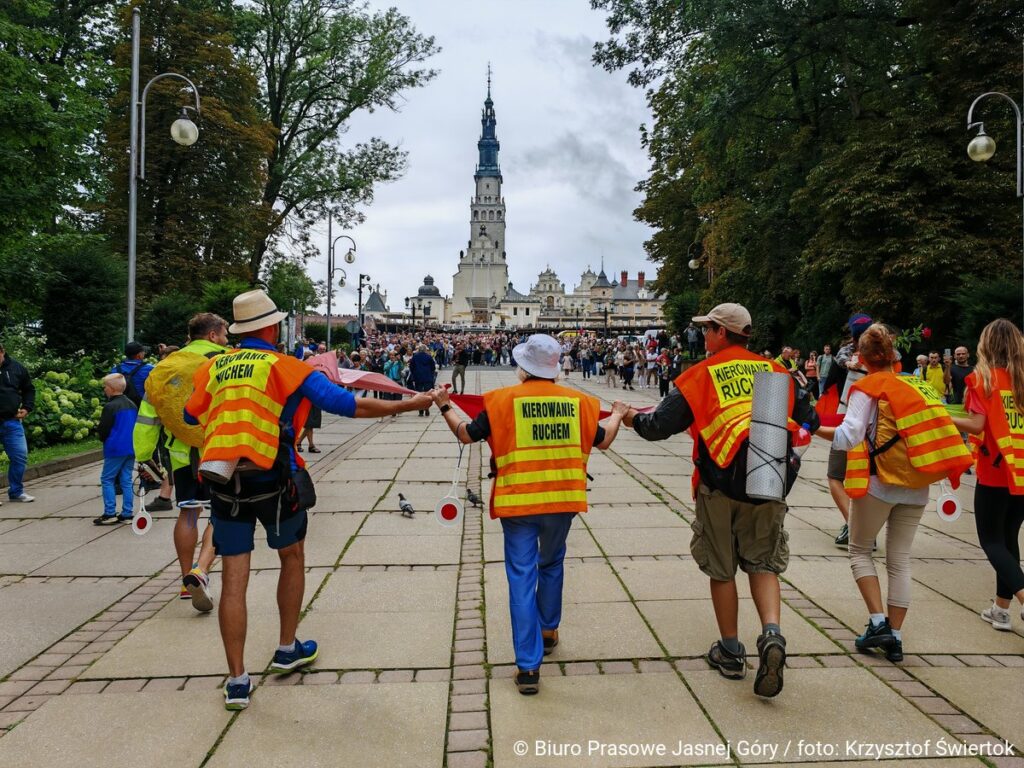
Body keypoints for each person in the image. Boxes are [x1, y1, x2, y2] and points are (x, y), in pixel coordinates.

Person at [185, 290, 433, 711]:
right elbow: (346, 404)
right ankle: (286, 648)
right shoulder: (286, 367)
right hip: (274, 478)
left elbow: (193, 415)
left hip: (225, 478)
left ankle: (237, 681)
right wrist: (411, 404)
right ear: (272, 327)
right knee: (292, 557)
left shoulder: (213, 367)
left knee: (233, 579)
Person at [619, 303, 819, 698]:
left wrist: (628, 417)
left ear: (721, 333)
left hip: (719, 483)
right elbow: (807, 418)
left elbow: (659, 426)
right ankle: (772, 634)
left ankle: (730, 651)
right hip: (768, 475)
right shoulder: (775, 371)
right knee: (763, 562)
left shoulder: (702, 374)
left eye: (707, 329)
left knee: (722, 566)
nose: (702, 335)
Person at [429, 334, 627, 696]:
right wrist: (615, 414)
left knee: (521, 577)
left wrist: (445, 405)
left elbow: (466, 434)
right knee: (551, 564)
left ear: (523, 368)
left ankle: (528, 666)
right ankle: (549, 630)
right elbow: (603, 440)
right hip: (564, 500)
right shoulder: (579, 402)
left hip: (518, 502)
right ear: (555, 368)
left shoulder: (502, 401)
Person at [832, 324, 971, 663]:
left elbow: (849, 436)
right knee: (899, 559)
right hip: (918, 482)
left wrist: (810, 429)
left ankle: (878, 622)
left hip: (880, 481)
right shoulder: (919, 384)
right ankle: (894, 637)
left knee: (860, 550)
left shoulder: (867, 388)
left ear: (861, 358)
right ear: (894, 356)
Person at [134, 313, 229, 610]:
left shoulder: (165, 366)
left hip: (180, 453)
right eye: (224, 333)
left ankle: (185, 578)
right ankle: (201, 571)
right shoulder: (226, 360)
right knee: (220, 513)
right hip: (219, 450)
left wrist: (144, 455)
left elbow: (149, 414)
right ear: (212, 335)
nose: (227, 338)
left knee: (188, 513)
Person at [953, 319, 1024, 632]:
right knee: (1009, 539)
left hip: (995, 470)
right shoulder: (1020, 379)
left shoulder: (982, 379)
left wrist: (944, 418)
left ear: (985, 345)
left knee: (992, 540)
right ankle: (1000, 609)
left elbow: (977, 425)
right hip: (1021, 471)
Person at [825, 314, 873, 547]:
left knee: (835, 476)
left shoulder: (852, 352)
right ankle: (858, 527)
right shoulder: (887, 356)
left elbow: (842, 357)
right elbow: (842, 358)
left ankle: (857, 529)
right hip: (876, 426)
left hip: (850, 421)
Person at [94, 374, 137, 524]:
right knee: (126, 479)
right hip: (131, 447)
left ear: (111, 389)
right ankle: (127, 512)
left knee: (107, 479)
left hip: (115, 448)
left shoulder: (110, 406)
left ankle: (109, 512)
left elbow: (104, 428)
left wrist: (101, 436)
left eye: (105, 386)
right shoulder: (132, 404)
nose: (104, 389)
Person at [0, 342, 35, 504]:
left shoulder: (17, 368)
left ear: (2, 352)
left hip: (12, 421)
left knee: (20, 456)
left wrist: (27, 408)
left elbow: (29, 389)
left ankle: (16, 491)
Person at [111, 341, 153, 406]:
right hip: (141, 407)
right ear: (138, 355)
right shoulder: (149, 368)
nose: (144, 353)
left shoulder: (115, 369)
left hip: (121, 406)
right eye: (143, 351)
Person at [409, 344, 437, 416]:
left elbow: (411, 367)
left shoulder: (415, 357)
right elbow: (433, 367)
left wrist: (414, 374)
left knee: (419, 394)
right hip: (427, 377)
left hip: (418, 377)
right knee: (427, 394)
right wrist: (430, 373)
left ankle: (420, 410)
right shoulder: (429, 356)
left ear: (419, 350)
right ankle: (427, 408)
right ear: (425, 350)